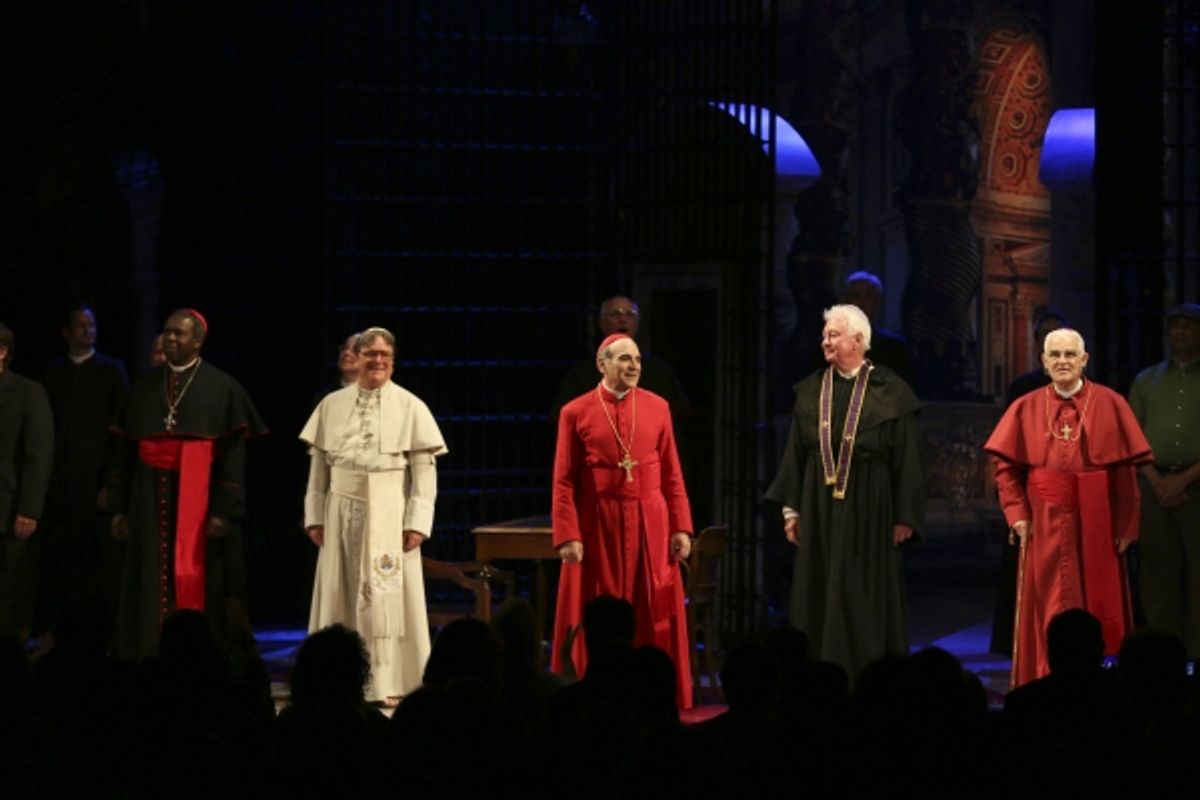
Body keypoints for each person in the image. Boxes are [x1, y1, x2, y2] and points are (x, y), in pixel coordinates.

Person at [765, 304, 925, 683]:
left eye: (833, 334)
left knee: (863, 594)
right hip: (819, 508)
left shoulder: (891, 391)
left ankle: (868, 676)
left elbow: (908, 458)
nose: (825, 341)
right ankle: (817, 675)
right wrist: (791, 510)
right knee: (819, 590)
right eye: (824, 335)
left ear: (859, 340)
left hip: (873, 508)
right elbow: (796, 453)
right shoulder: (810, 390)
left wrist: (905, 515)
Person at [984, 328, 1152, 687]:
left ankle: (1102, 681)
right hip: (1044, 520)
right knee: (1047, 603)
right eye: (1055, 355)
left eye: (1070, 355)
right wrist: (1017, 515)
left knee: (1099, 602)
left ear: (1084, 360)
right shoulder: (1026, 407)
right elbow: (1006, 471)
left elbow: (1125, 473)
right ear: (1043, 362)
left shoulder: (1110, 403)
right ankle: (1044, 677)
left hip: (1098, 519)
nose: (1062, 361)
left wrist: (1126, 524)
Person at [107, 309, 267, 660]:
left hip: (199, 500)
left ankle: (198, 652)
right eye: (167, 332)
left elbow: (233, 458)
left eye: (179, 333)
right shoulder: (144, 386)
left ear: (198, 340)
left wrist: (224, 511)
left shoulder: (223, 387)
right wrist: (119, 507)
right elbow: (125, 451)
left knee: (199, 574)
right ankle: (146, 648)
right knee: (147, 574)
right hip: (146, 497)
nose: (170, 339)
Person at [301, 326, 447, 704]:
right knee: (340, 593)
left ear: (393, 361)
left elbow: (424, 473)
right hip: (341, 508)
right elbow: (318, 468)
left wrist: (417, 522)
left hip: (389, 511)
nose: (377, 361)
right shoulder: (332, 405)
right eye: (371, 354)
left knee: (388, 598)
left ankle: (387, 682)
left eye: (385, 355)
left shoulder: (411, 406)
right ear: (358, 358)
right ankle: (337, 683)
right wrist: (314, 515)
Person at [550, 332, 694, 708]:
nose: (634, 367)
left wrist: (681, 526)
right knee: (602, 604)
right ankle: (596, 689)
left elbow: (673, 473)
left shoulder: (658, 406)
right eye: (625, 360)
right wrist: (567, 533)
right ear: (603, 364)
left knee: (651, 608)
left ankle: (654, 691)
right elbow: (563, 479)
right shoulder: (575, 411)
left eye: (638, 360)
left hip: (651, 520)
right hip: (599, 522)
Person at [39, 305, 128, 633]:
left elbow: (120, 430)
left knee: (98, 561)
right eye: (80, 326)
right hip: (62, 484)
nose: (87, 331)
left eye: (91, 325)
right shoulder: (54, 373)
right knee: (62, 559)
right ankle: (58, 631)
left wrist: (110, 483)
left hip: (97, 482)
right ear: (66, 332)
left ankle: (102, 631)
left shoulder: (112, 371)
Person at [991, 306, 1069, 656]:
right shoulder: (1022, 388)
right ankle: (1017, 642)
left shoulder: (1082, 389)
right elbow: (1008, 444)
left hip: (1069, 493)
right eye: (1045, 338)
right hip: (1028, 490)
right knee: (1022, 569)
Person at [1129, 302, 1200, 657]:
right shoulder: (1146, 379)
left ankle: (1196, 654)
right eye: (1175, 326)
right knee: (1157, 572)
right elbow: (1131, 437)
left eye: (1188, 326)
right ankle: (1160, 653)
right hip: (1154, 487)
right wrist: (1158, 482)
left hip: (1197, 488)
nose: (1181, 332)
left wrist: (1184, 479)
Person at [552, 295, 692, 421]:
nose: (623, 319)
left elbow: (678, 416)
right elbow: (565, 418)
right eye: (615, 314)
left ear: (637, 323)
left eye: (630, 315)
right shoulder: (581, 373)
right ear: (601, 323)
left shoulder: (659, 372)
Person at [0, 322, 54, 640]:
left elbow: (39, 454)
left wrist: (29, 509)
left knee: (10, 587)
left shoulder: (27, 391)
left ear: (3, 351)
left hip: (9, 509)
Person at [842, 271, 915, 387]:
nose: (862, 303)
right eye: (856, 296)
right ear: (845, 301)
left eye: (868, 296)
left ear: (877, 302)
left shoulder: (895, 348)